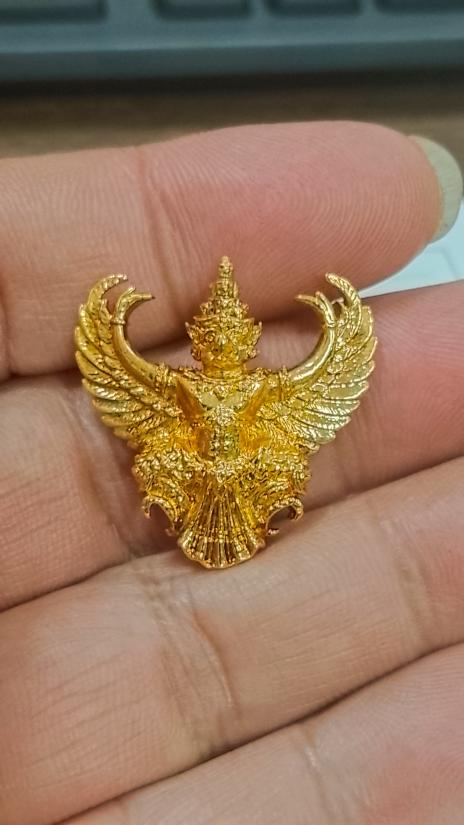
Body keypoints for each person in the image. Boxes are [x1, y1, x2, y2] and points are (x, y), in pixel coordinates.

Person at [0, 121, 463, 824]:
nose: (220, 342)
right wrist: (111, 329)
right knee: (162, 459)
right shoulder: (180, 385)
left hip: (246, 480)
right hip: (194, 480)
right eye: (211, 336)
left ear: (244, 339)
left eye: (231, 335)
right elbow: (123, 368)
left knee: (277, 463)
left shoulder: (264, 388)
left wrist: (339, 330)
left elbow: (322, 373)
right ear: (200, 340)